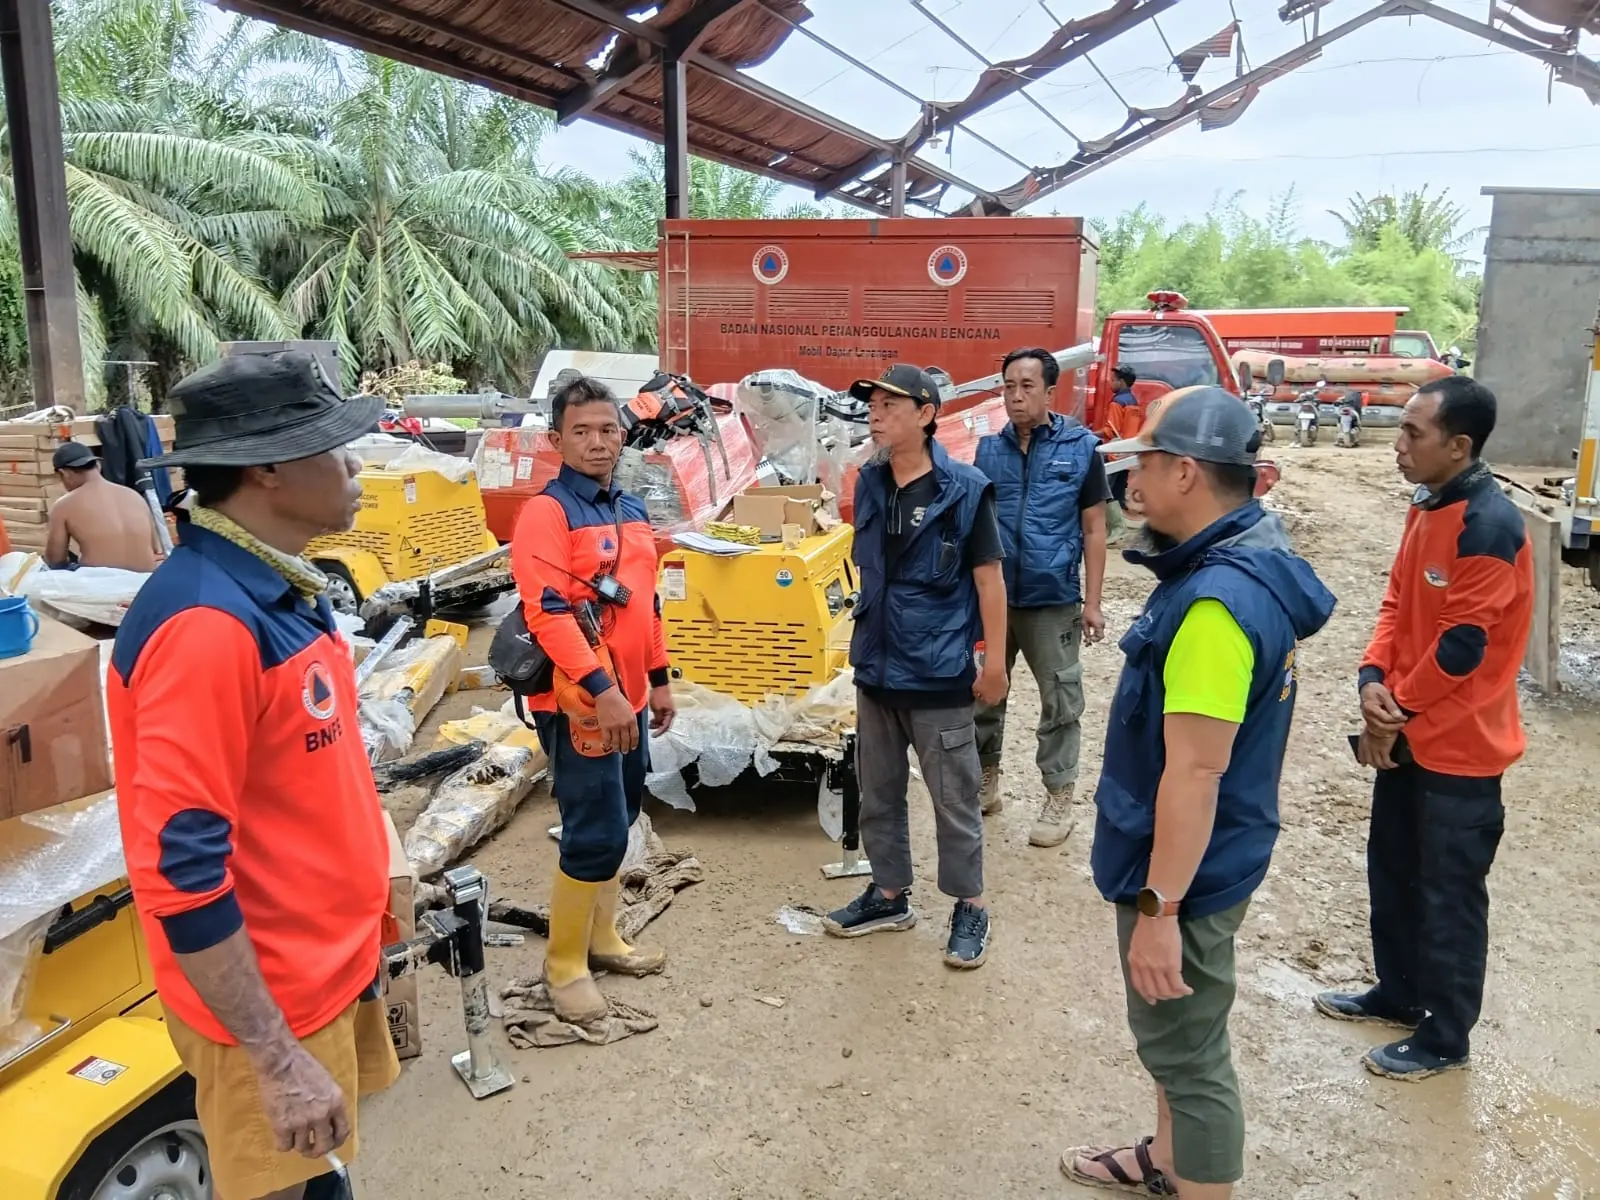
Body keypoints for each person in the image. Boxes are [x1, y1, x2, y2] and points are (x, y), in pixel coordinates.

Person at [110, 350, 397, 1200]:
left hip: (323, 969)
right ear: (267, 468)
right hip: (273, 1005)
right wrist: (274, 1060)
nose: (356, 469)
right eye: (335, 449)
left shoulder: (275, 585)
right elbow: (181, 872)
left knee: (324, 1181)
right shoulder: (206, 624)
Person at [1060, 387, 1335, 1199]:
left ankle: (1199, 1174)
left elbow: (1196, 772)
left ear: (1184, 472)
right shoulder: (1229, 565)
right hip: (1201, 856)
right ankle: (1169, 1161)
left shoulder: (1217, 604)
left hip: (1188, 873)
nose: (1131, 477)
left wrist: (1161, 912)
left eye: (1143, 460)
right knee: (1176, 1031)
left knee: (1188, 1051)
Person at [1316, 376, 1532, 1080]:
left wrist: (1393, 708)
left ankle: (1445, 1038)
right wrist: (1372, 681)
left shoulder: (1489, 526)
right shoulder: (1426, 505)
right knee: (1396, 873)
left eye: (1413, 433)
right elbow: (1397, 600)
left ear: (1459, 445)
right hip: (1408, 731)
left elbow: (1462, 646)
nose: (1398, 444)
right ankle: (1399, 993)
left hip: (1461, 753)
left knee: (1449, 897)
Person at [821, 363, 1008, 969]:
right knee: (878, 791)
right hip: (876, 667)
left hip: (939, 671)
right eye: (871, 403)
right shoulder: (870, 483)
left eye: (889, 404)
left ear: (927, 414)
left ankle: (970, 905)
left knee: (954, 798)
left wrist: (996, 662)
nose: (874, 412)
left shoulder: (966, 489)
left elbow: (989, 582)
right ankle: (890, 893)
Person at [509, 374, 675, 1024]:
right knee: (593, 830)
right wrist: (604, 691)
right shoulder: (545, 515)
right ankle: (564, 967)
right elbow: (547, 614)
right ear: (557, 439)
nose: (598, 442)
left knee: (623, 816)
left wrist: (656, 681)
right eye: (581, 431)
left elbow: (646, 605)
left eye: (608, 429)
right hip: (581, 704)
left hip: (628, 698)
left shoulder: (630, 510)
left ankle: (603, 940)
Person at [973, 347, 1110, 846]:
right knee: (985, 692)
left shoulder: (1081, 448)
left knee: (1061, 701)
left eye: (1027, 386)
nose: (1015, 396)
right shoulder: (988, 451)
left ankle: (1059, 797)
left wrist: (1092, 602)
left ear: (1051, 392)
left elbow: (1095, 530)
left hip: (1053, 599)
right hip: (995, 599)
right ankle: (987, 780)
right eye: (1008, 386)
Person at [45, 440, 164, 571]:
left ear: (64, 473)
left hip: (101, 584)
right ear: (98, 465)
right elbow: (155, 549)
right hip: (145, 581)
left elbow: (55, 560)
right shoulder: (134, 496)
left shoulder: (63, 505)